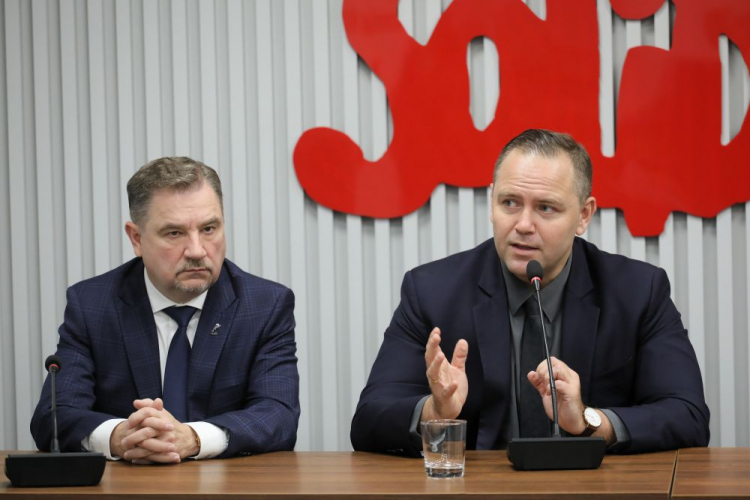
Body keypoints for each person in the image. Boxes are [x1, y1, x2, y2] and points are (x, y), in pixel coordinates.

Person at [350, 129, 710, 456]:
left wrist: (589, 421)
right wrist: (435, 411)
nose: (523, 225)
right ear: (491, 204)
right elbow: (368, 420)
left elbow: (688, 415)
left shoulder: (637, 291)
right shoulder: (432, 290)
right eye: (509, 203)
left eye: (545, 208)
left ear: (584, 215)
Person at [31, 157, 300, 463]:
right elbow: (53, 416)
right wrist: (120, 436)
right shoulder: (93, 304)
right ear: (136, 238)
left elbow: (279, 415)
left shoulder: (265, 305)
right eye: (174, 233)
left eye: (209, 228)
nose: (197, 251)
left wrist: (194, 438)